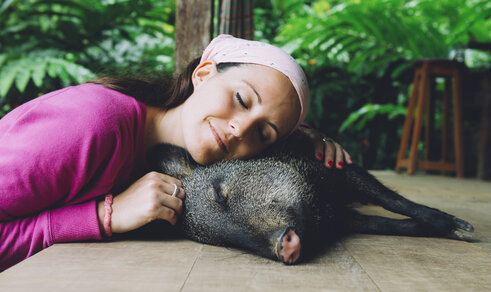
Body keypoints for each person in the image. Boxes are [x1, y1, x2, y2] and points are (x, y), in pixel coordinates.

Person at [0, 34, 351, 271]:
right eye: (241, 99)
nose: (239, 129)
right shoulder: (92, 124)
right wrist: (104, 216)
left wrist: (310, 140)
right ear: (203, 74)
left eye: (262, 134)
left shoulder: (174, 161)